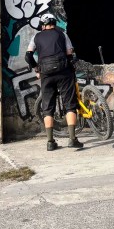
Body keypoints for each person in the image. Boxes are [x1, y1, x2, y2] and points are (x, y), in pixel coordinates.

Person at [25, 13, 83, 151]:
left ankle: (50, 142)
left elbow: (28, 56)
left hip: (46, 73)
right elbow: (70, 53)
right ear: (54, 23)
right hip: (64, 72)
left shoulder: (36, 37)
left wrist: (36, 69)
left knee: (47, 107)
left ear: (42, 24)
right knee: (69, 104)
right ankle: (72, 139)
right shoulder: (62, 34)